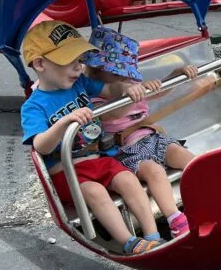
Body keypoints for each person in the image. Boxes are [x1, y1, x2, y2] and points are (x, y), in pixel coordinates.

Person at [20, 21, 166, 256]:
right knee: (95, 192)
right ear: (40, 63)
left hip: (97, 158)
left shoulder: (80, 84)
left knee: (128, 179)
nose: (79, 67)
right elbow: (41, 146)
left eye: (80, 60)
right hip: (68, 173)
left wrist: (124, 88)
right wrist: (65, 122)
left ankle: (153, 236)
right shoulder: (33, 107)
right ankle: (129, 243)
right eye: (70, 61)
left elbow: (109, 91)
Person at [82, 26, 197, 239]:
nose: (123, 76)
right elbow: (114, 114)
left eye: (125, 72)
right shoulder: (94, 99)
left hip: (152, 137)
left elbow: (160, 91)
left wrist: (176, 74)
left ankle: (206, 201)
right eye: (115, 71)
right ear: (96, 71)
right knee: (154, 172)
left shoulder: (131, 85)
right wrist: (130, 92)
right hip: (125, 150)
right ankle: (175, 220)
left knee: (192, 161)